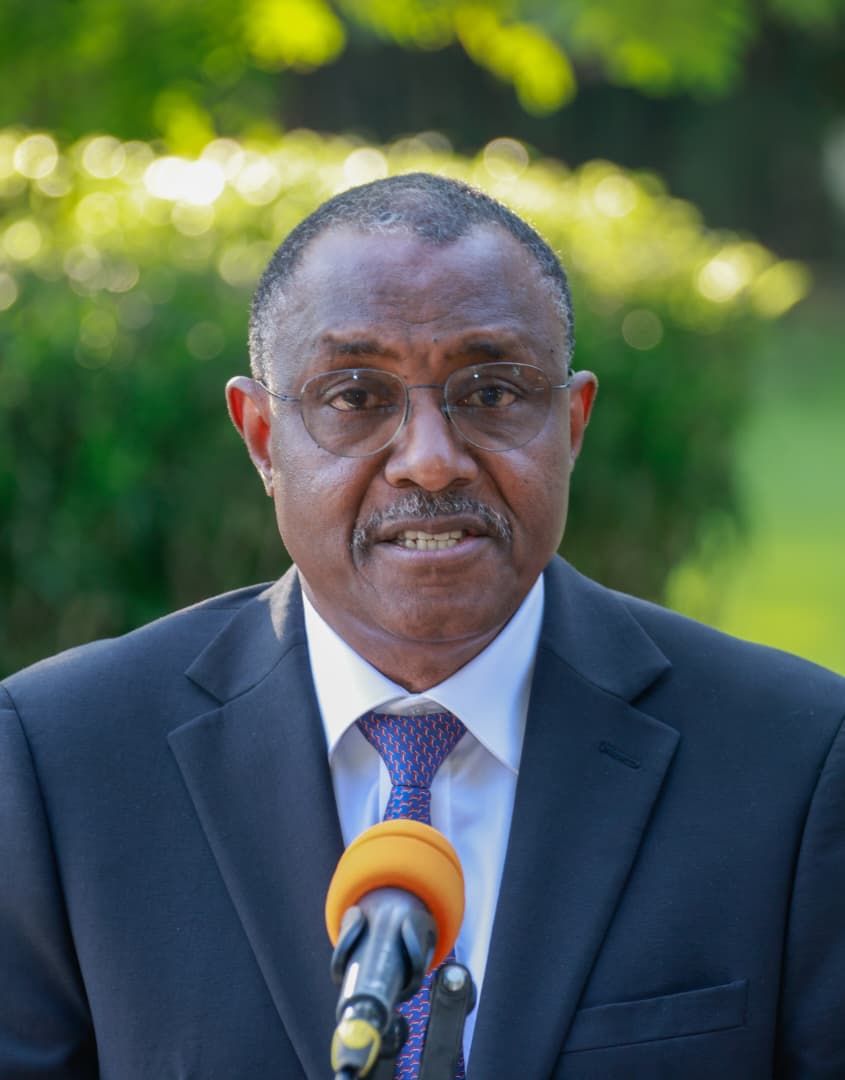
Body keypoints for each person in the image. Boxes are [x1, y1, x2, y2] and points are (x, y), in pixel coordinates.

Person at [1, 173, 844, 1080]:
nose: (431, 462)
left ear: (571, 424)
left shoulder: (791, 760)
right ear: (261, 438)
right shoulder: (62, 762)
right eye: (354, 397)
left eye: (492, 393)